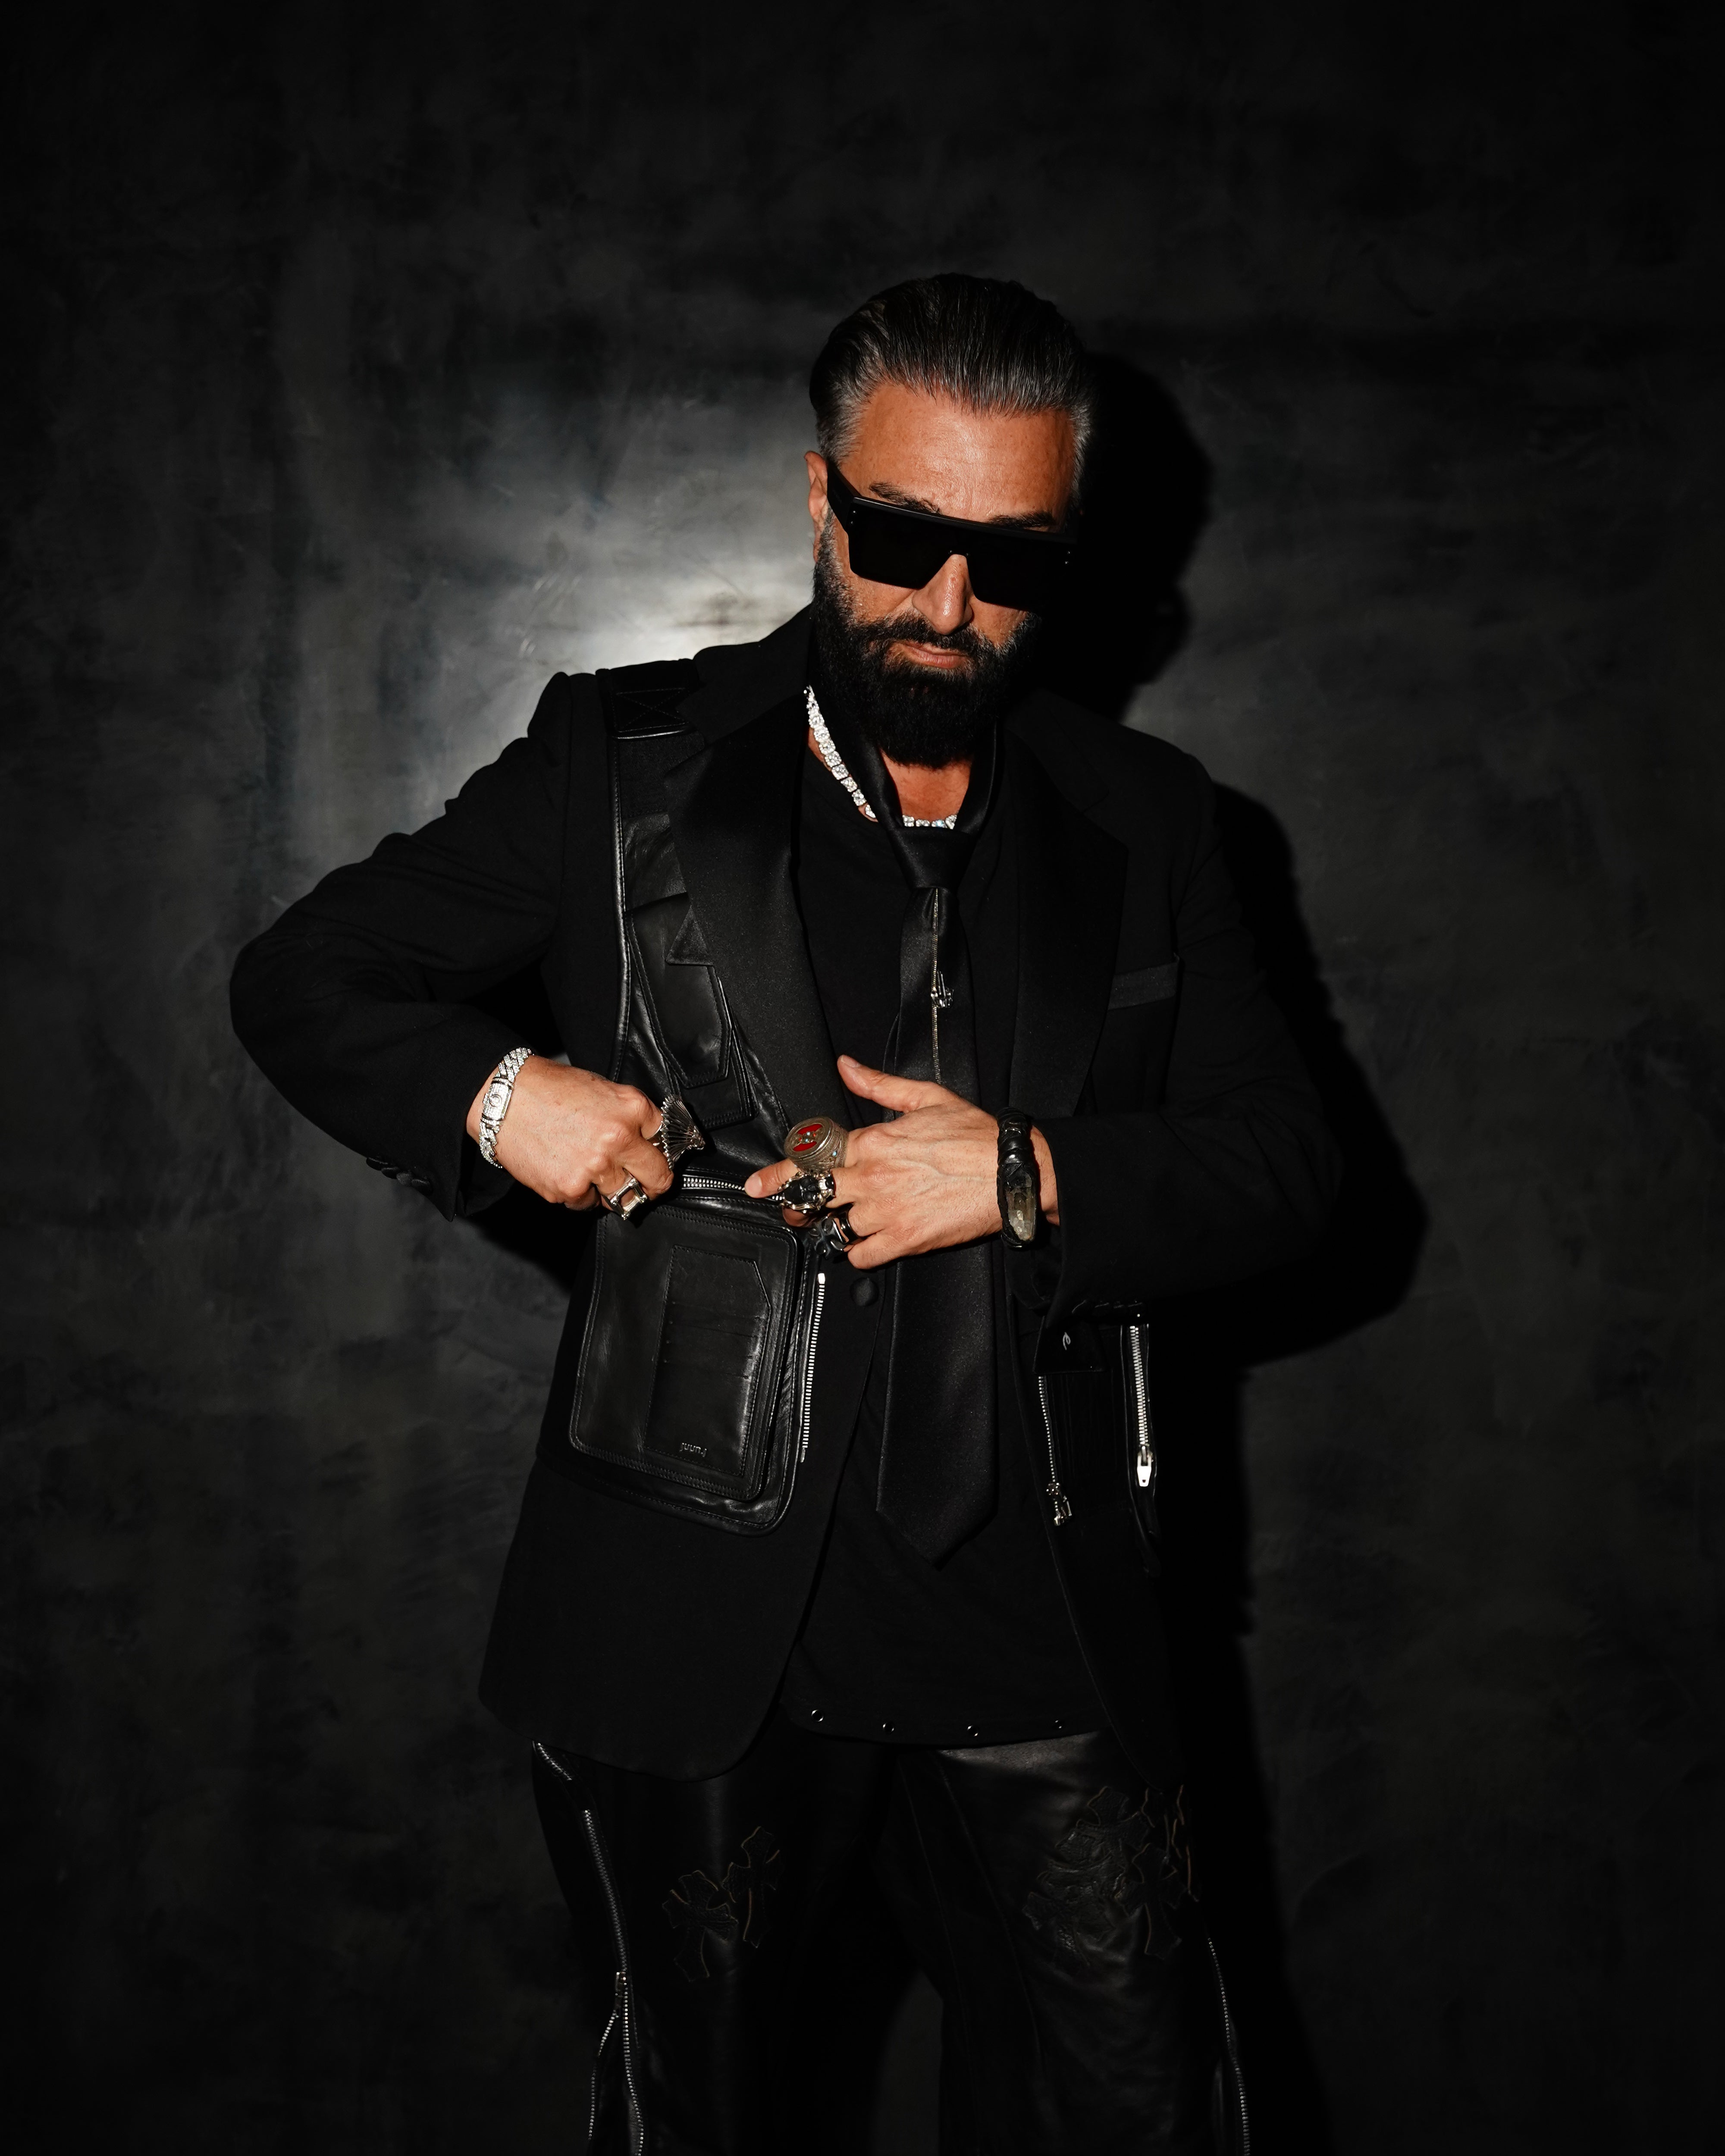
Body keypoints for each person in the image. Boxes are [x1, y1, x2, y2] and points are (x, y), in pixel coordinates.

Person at [231, 273, 1338, 2154]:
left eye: (1014, 558)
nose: (951, 603)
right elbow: (305, 978)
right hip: (701, 1628)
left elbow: (1294, 1169)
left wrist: (1024, 1172)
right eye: (904, 538)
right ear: (823, 498)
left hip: (1040, 1623)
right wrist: (503, 1098)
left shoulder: (1151, 817)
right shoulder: (621, 765)